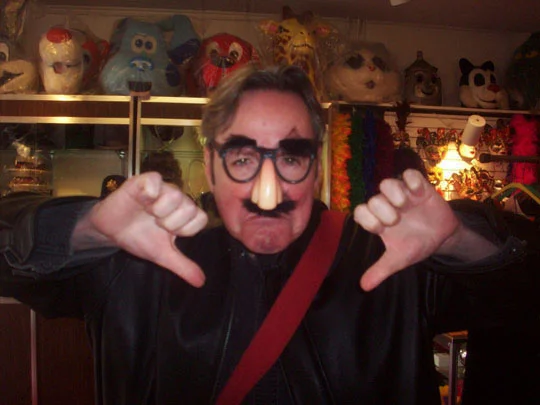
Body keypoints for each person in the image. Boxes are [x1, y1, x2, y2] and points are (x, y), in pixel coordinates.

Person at [0, 65, 534, 405]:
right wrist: (85, 229)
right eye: (242, 158)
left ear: (317, 167)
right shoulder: (138, 260)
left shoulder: (391, 258)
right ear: (210, 165)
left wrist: (462, 243)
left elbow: (524, 296)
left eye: (292, 158)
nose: (268, 193)